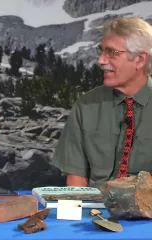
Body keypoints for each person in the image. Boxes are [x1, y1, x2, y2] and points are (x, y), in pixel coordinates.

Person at [52, 17, 152, 188]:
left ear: (140, 60)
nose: (101, 60)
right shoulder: (86, 106)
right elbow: (76, 178)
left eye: (112, 52)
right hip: (95, 210)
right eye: (102, 51)